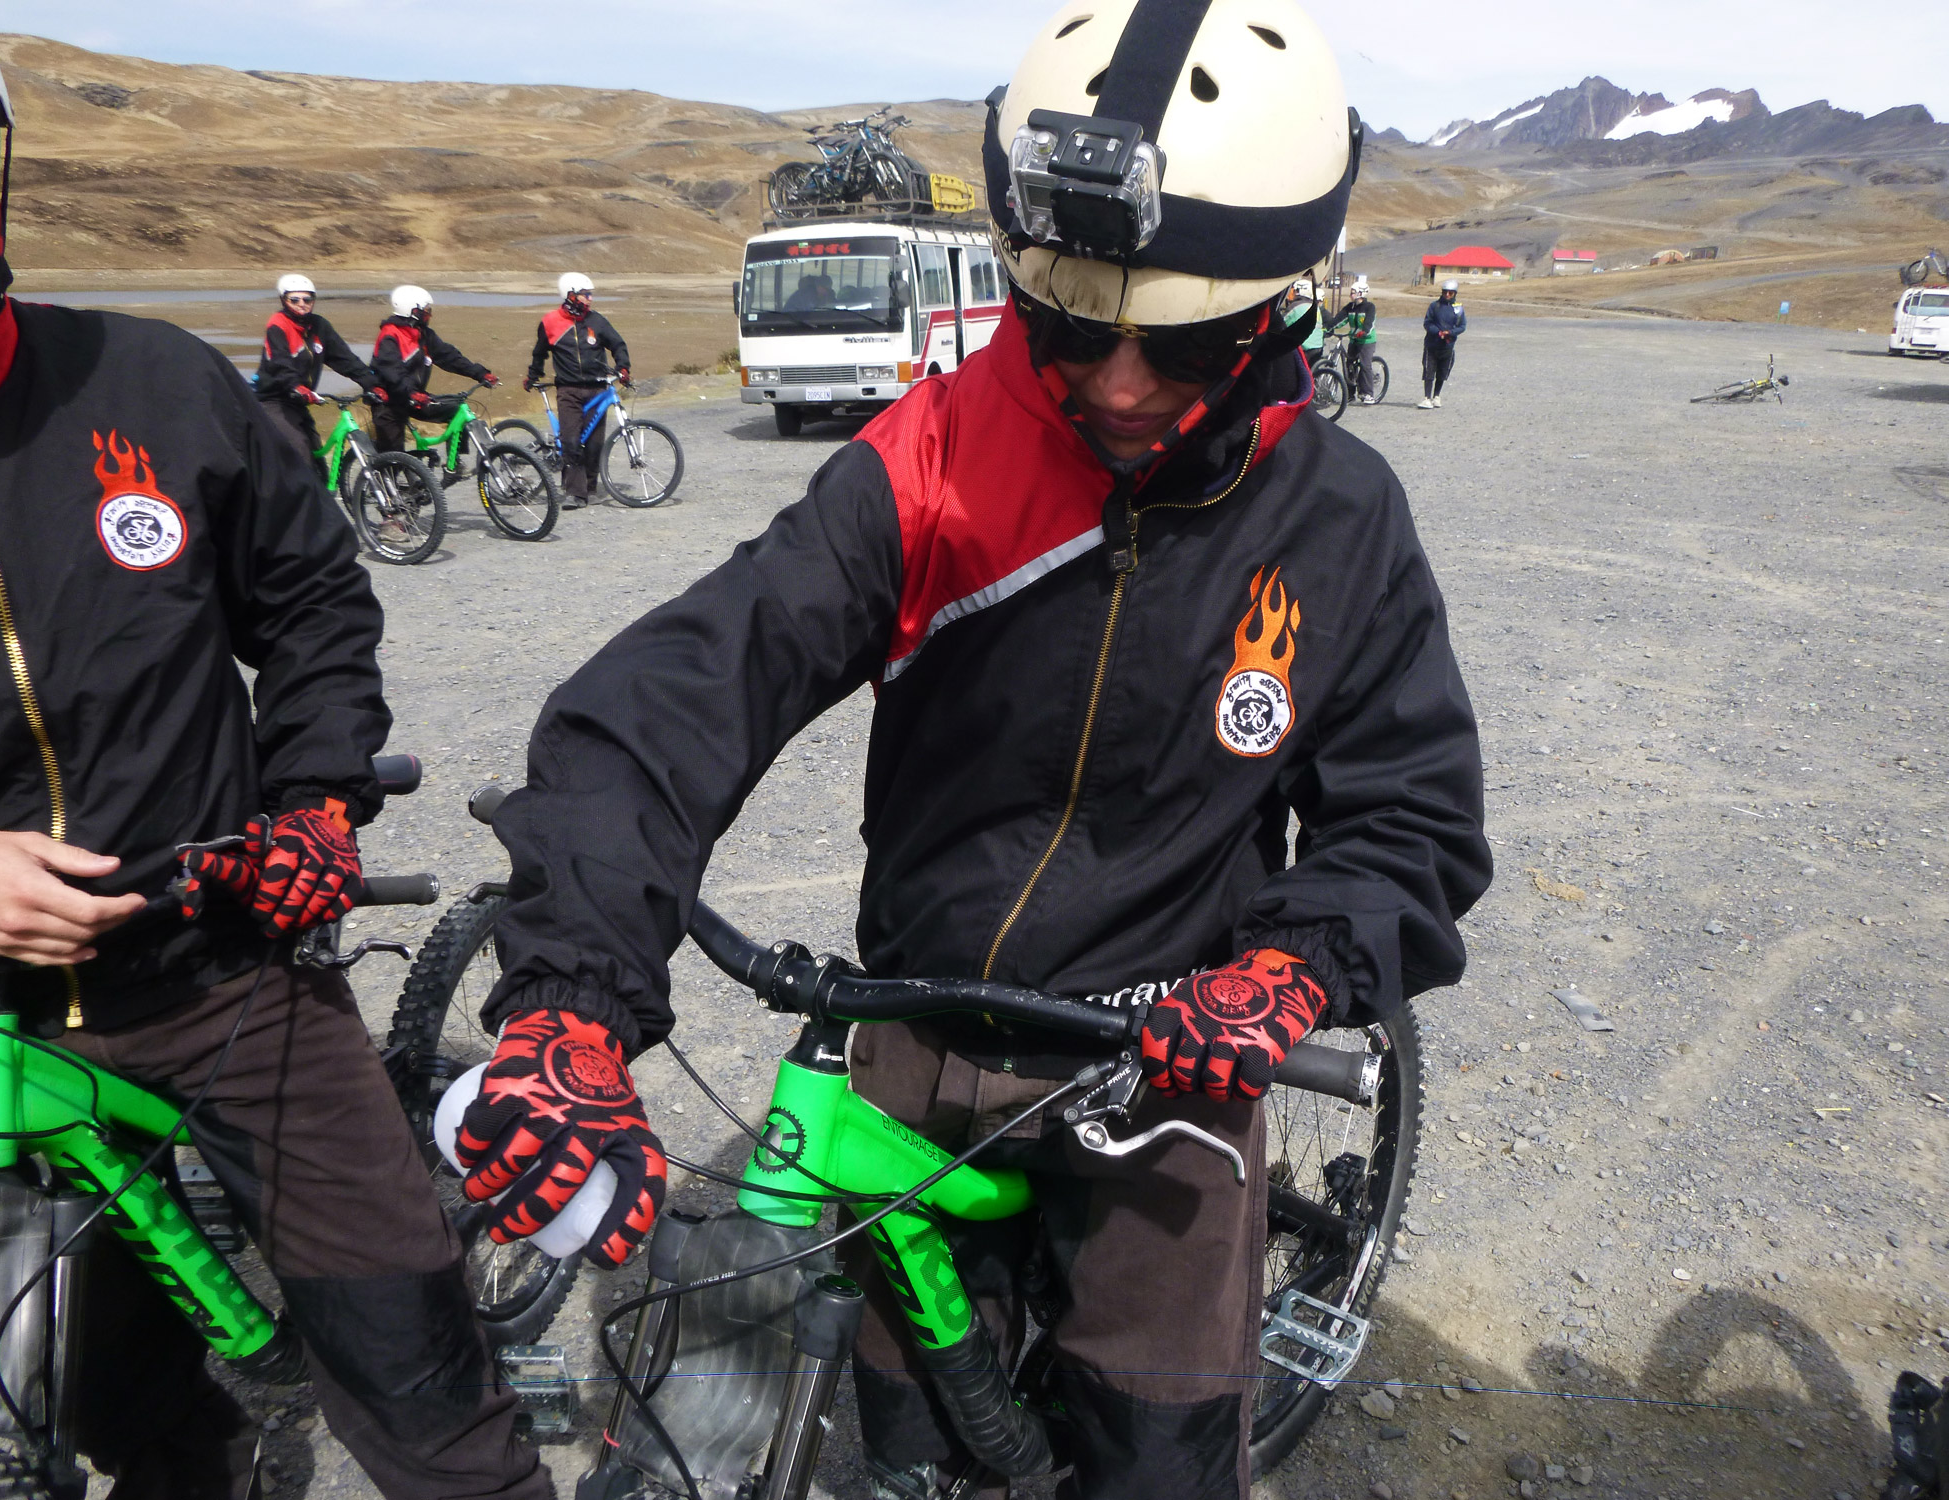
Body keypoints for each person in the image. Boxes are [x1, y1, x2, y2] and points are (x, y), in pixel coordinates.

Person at [462, 2, 1489, 1497]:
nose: (1123, 385)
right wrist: (567, 1003)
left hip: (1168, 1063)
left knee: (1152, 1456)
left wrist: (1294, 970)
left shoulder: (1341, 520)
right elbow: (683, 692)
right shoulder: (932, 460)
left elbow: (1406, 815)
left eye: (1187, 338)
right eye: (1073, 323)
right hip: (921, 1040)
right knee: (914, 1445)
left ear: (1280, 304)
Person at [0, 13, 545, 1496]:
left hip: (220, 978)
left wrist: (315, 801)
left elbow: (316, 600)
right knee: (99, 1421)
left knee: (433, 1401)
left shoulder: (151, 388)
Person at [525, 271, 631, 508]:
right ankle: (575, 493)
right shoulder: (550, 322)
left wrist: (623, 367)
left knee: (594, 443)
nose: (590, 299)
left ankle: (589, 487)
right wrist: (533, 375)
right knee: (571, 441)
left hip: (597, 388)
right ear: (570, 295)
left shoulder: (597, 321)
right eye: (586, 294)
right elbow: (539, 353)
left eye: (590, 294)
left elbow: (618, 344)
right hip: (568, 391)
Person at [251, 273, 376, 465]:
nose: (302, 303)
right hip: (274, 399)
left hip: (299, 400)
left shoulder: (319, 326)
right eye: (295, 299)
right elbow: (280, 363)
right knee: (299, 449)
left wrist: (371, 382)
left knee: (316, 453)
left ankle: (320, 493)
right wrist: (297, 386)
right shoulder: (278, 325)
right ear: (284, 300)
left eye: (307, 299)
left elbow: (345, 359)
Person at [369, 283, 497, 454]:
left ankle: (454, 464)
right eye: (426, 310)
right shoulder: (390, 336)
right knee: (393, 457)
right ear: (413, 311)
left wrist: (480, 373)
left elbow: (450, 357)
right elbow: (392, 372)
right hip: (389, 403)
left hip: (415, 397)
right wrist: (411, 392)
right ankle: (386, 477)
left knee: (457, 409)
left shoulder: (423, 334)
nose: (429, 314)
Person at [1419, 278, 1464, 408]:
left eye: (1450, 293)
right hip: (1432, 345)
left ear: (1455, 293)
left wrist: (1450, 333)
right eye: (1445, 292)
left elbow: (1462, 325)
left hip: (1447, 346)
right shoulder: (1434, 306)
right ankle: (1426, 397)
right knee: (1428, 371)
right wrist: (1438, 332)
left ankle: (1436, 396)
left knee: (1442, 372)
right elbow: (1428, 322)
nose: (1447, 295)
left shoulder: (1458, 308)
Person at [1338, 275, 1377, 396]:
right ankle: (1350, 395)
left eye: (1353, 292)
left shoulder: (1370, 307)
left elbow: (1369, 323)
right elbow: (1339, 320)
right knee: (1349, 365)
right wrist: (1327, 327)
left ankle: (1368, 394)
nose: (1350, 295)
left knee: (1365, 366)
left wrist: (1364, 331)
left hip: (1366, 341)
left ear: (1360, 293)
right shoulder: (1350, 307)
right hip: (1354, 340)